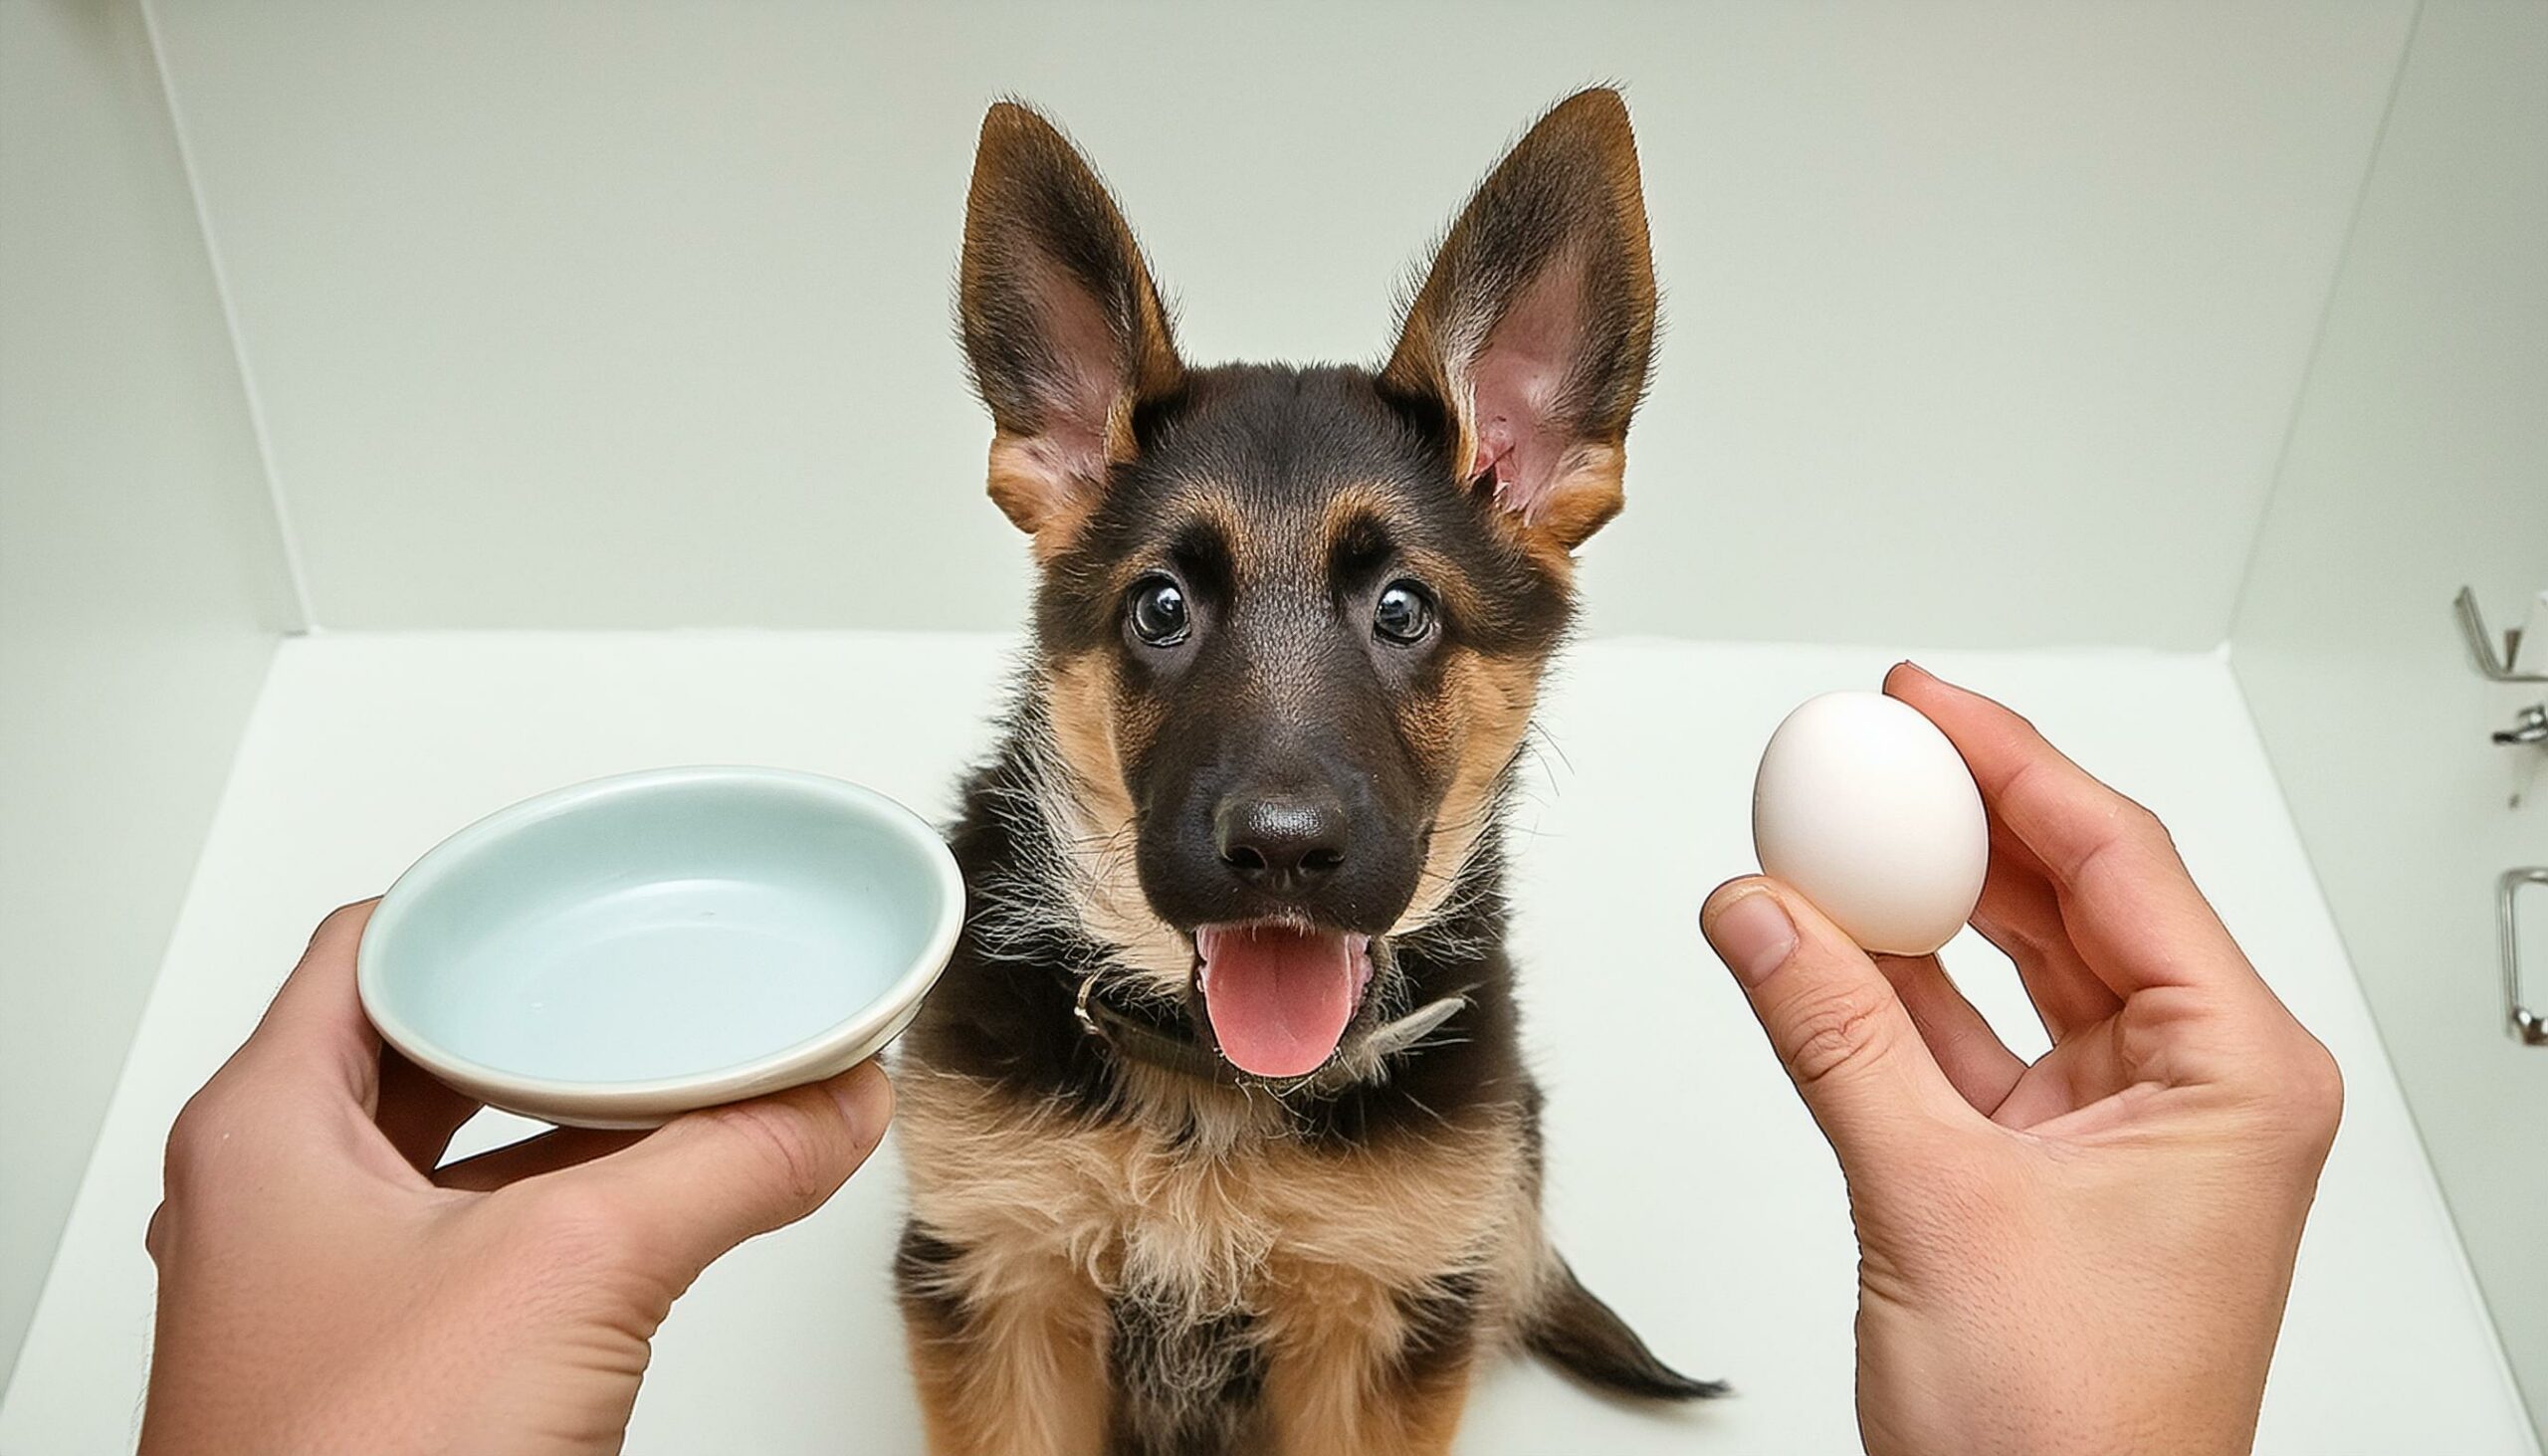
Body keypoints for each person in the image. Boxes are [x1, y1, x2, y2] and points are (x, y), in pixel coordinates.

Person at [136, 665, 2341, 1456]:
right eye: (1169, 613)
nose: (1280, 812)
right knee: (1010, 1284)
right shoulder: (975, 1024)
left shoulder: (1435, 1085)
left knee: (1395, 1303)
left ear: (1534, 497)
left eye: (1395, 613)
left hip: (1385, 1241)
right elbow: (971, 1290)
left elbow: (1379, 1342)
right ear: (1055, 500)